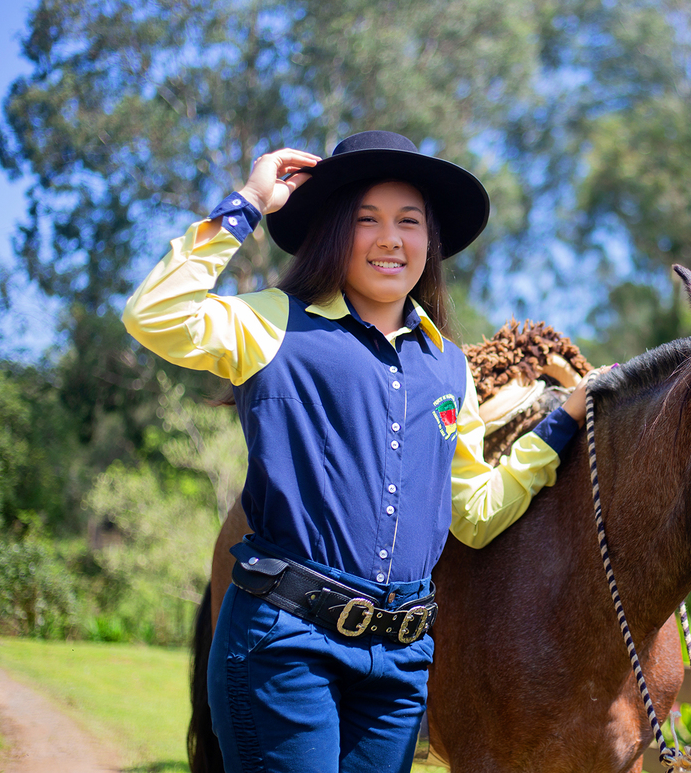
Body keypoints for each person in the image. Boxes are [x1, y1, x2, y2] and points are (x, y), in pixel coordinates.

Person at [122, 131, 593, 773]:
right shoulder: (271, 322)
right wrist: (250, 202)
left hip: (399, 669)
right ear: (332, 231)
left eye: (409, 221)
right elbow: (154, 314)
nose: (390, 239)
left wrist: (563, 423)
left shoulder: (449, 369)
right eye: (366, 219)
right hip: (284, 643)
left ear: (431, 241)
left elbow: (476, 513)